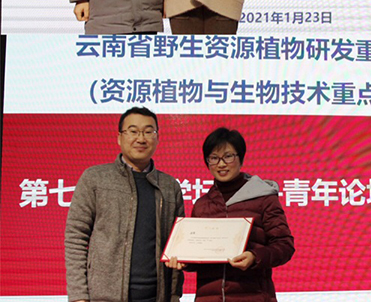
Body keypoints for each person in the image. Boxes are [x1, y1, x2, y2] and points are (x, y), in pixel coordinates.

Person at [65, 107, 184, 302]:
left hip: (156, 297)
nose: (141, 138)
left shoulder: (170, 186)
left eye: (148, 131)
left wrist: (174, 294)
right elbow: (75, 238)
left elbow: (177, 245)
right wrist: (79, 296)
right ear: (119, 137)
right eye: (133, 131)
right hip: (103, 297)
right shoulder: (95, 179)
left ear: (157, 138)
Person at [168, 127, 294, 301]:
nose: (221, 164)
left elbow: (284, 246)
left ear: (240, 158)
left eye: (228, 156)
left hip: (253, 296)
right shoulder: (202, 205)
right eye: (214, 158)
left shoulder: (264, 198)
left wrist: (254, 257)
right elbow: (199, 256)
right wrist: (185, 261)